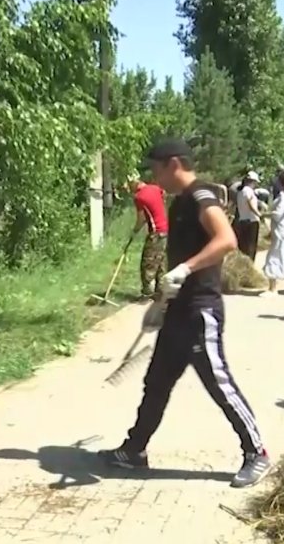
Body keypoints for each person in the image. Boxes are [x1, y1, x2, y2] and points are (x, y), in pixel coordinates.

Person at [98, 138, 270, 489]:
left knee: (218, 383)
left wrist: (186, 269)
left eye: (155, 168)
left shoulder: (200, 196)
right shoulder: (178, 201)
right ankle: (134, 451)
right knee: (156, 382)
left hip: (199, 311)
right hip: (178, 310)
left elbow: (226, 240)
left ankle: (257, 453)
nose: (153, 176)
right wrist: (161, 303)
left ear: (173, 164)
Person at [129, 173, 169, 300]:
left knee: (148, 263)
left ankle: (147, 293)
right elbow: (164, 195)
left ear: (134, 184)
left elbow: (141, 219)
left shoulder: (139, 197)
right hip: (166, 230)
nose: (129, 190)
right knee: (161, 261)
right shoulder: (155, 188)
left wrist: (134, 232)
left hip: (156, 233)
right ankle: (161, 291)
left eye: (129, 186)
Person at [233, 170, 262, 260]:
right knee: (251, 246)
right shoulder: (249, 191)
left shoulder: (240, 192)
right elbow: (250, 205)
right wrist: (259, 214)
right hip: (252, 221)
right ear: (252, 182)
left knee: (244, 245)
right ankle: (250, 263)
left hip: (242, 220)